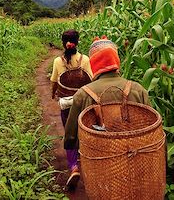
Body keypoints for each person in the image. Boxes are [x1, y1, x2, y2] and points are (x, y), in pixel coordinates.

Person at [63, 36, 151, 188]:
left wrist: (72, 149)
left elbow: (70, 136)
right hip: (135, 159)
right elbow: (152, 128)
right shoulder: (138, 90)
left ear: (94, 64)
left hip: (99, 163)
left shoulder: (83, 94)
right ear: (117, 62)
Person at [50, 29, 93, 190]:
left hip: (67, 104)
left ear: (63, 43)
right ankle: (86, 161)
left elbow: (54, 81)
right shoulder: (85, 59)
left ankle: (74, 166)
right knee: (83, 130)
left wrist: (53, 94)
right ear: (77, 42)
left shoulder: (57, 61)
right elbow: (91, 80)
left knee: (70, 134)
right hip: (83, 103)